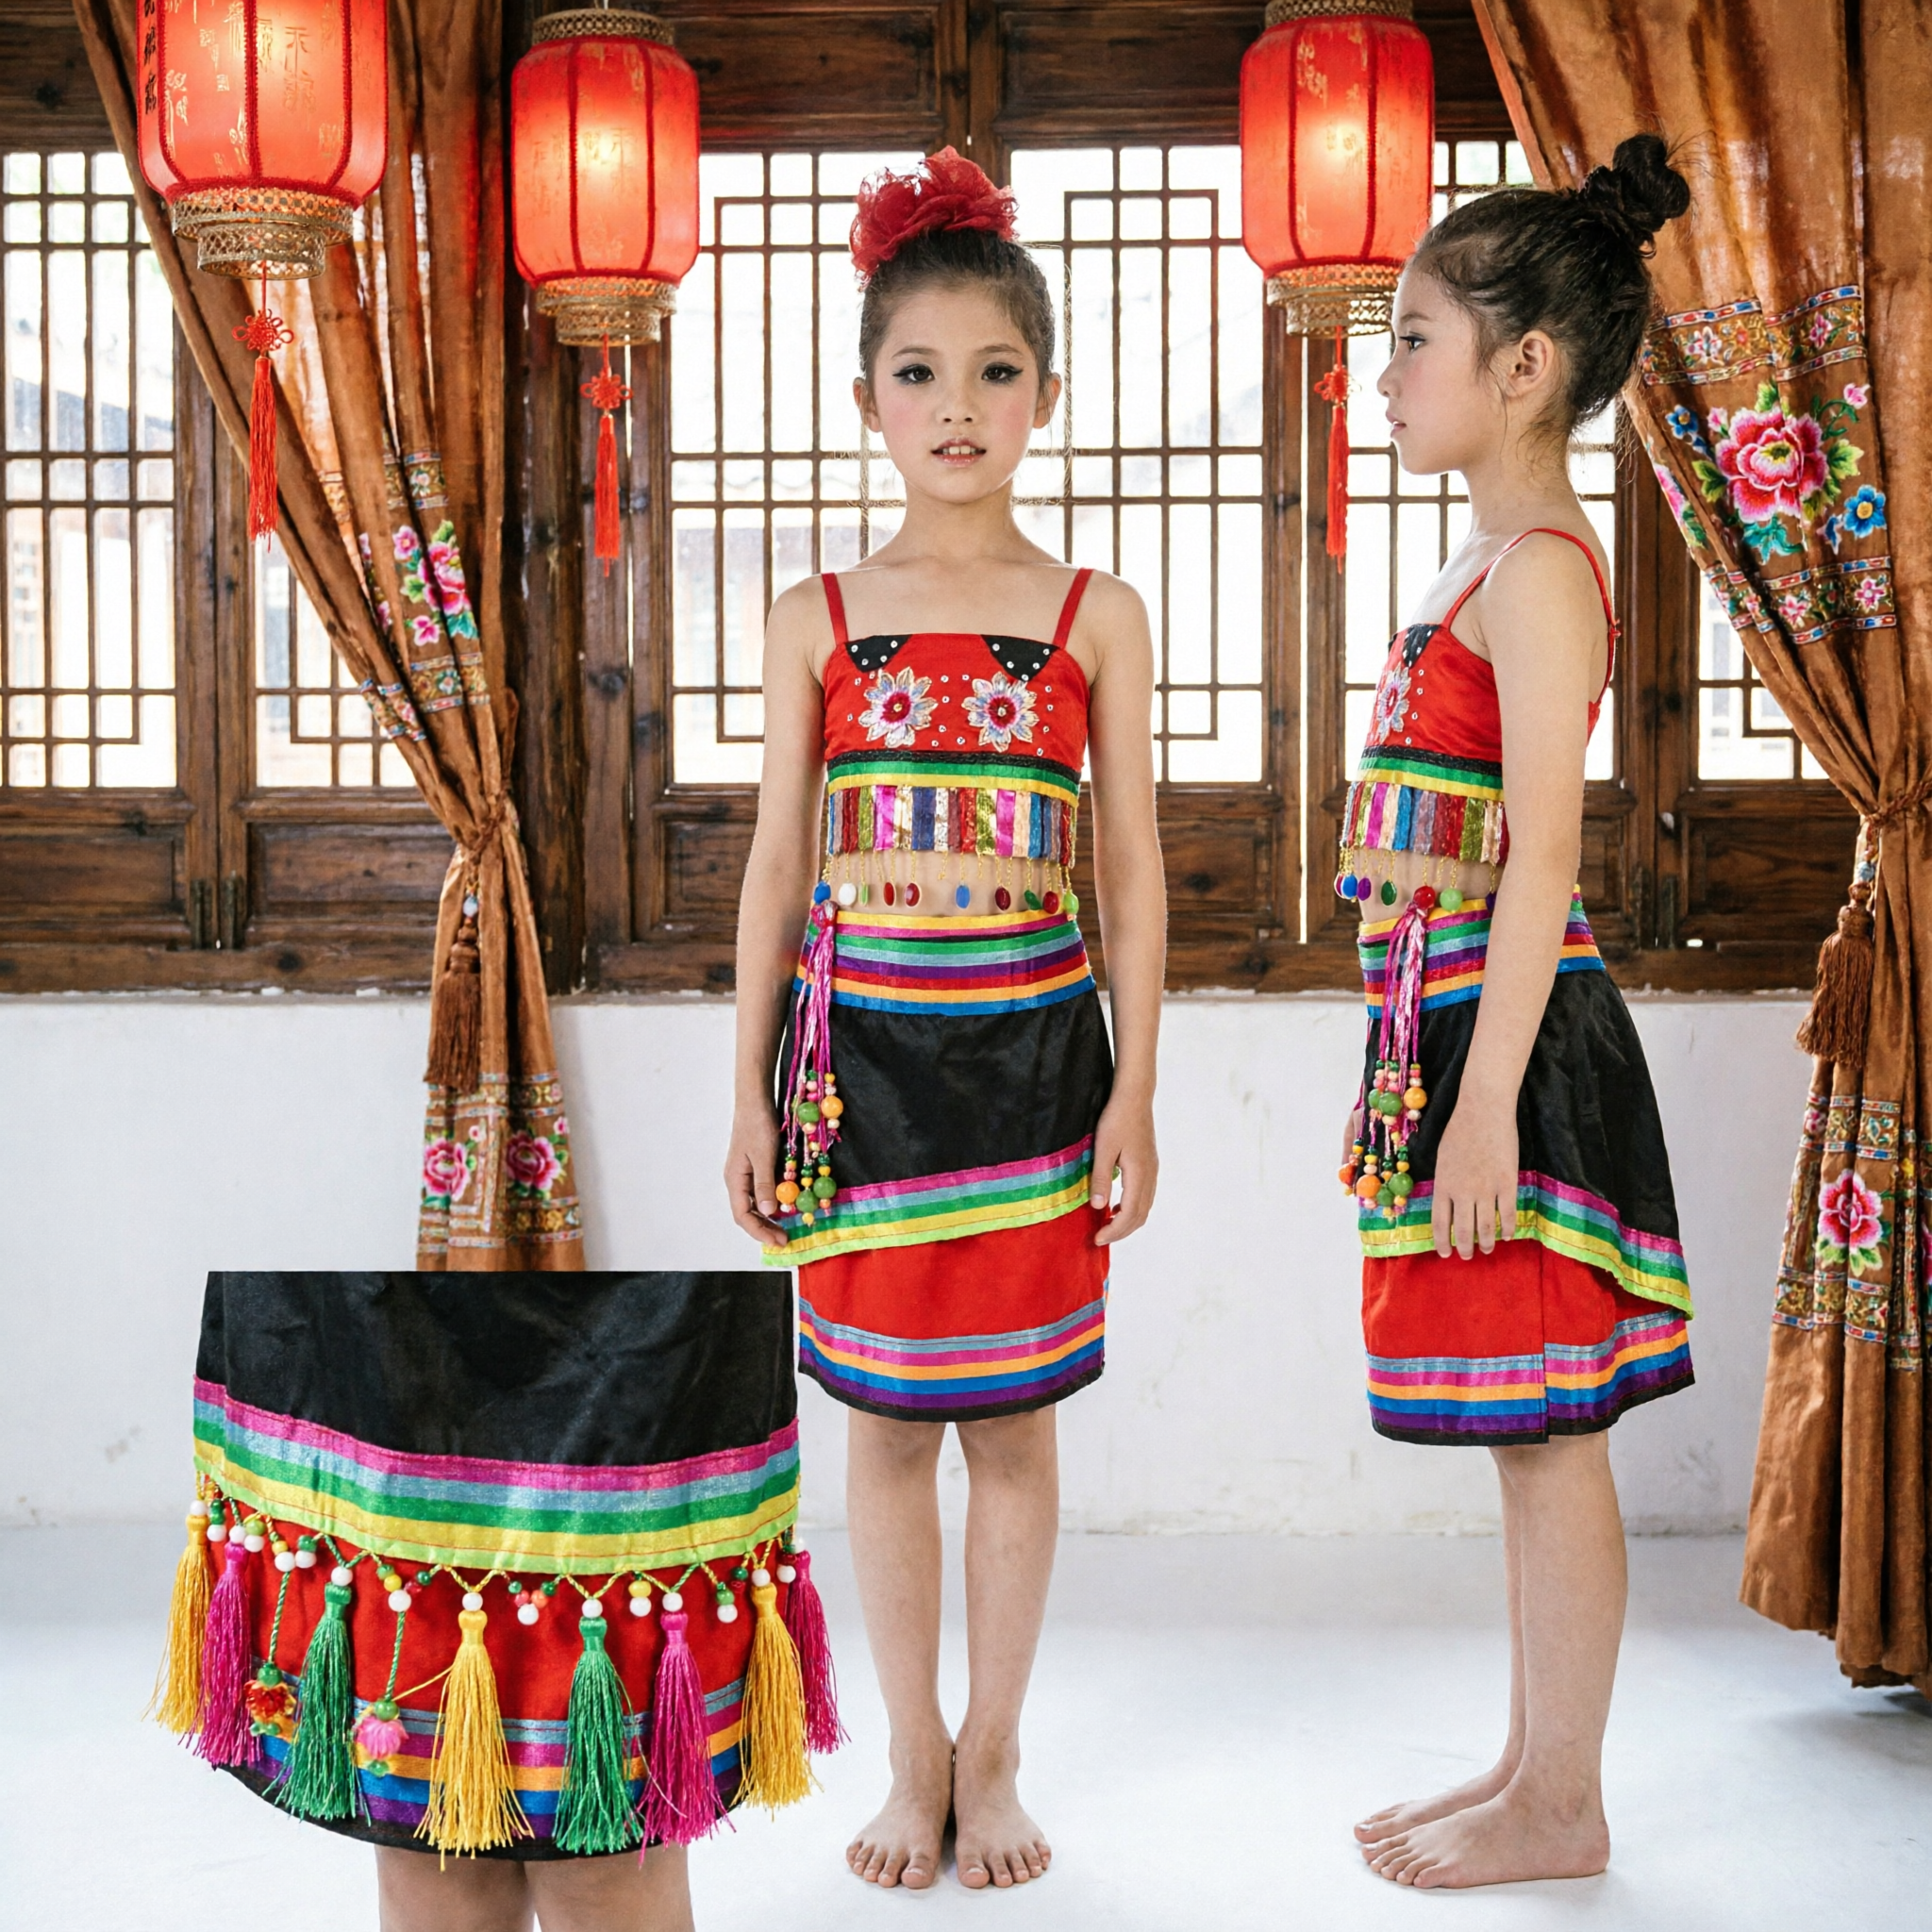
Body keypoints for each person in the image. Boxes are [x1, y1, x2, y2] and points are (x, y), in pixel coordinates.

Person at [725, 148, 1165, 1891]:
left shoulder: (1092, 616)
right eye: (919, 373)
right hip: (863, 1079)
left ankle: (1000, 1756)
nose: (957, 406)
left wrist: (1139, 1091)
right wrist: (750, 1091)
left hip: (1039, 1070)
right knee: (887, 1431)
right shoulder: (815, 620)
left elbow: (1131, 870)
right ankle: (910, 1757)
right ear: (866, 401)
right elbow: (774, 870)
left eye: (995, 372)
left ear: (1046, 394)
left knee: (1015, 1431)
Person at [1336, 136, 1695, 1889]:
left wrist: (1482, 1108)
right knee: (1521, 1428)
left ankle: (1566, 1802)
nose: (1384, 371)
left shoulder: (1543, 566)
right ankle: (1526, 1759)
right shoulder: (1484, 563)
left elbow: (1544, 860)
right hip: (1458, 1030)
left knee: (1553, 1437)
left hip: (1519, 1043)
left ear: (1525, 368)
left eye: (1412, 337)